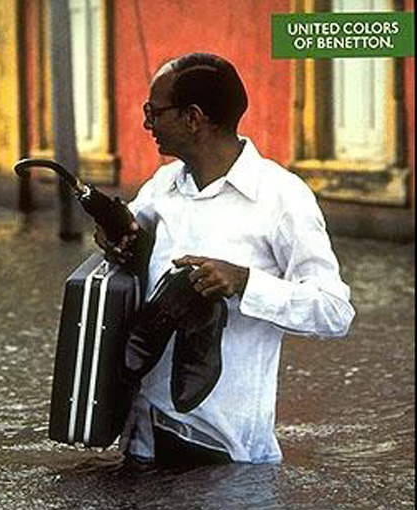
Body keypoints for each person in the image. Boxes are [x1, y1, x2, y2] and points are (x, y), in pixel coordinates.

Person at [96, 53, 355, 466]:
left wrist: (245, 283)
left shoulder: (282, 197)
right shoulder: (162, 187)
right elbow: (128, 236)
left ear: (193, 118)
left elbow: (335, 312)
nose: (148, 124)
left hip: (226, 453)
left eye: (154, 112)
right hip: (141, 442)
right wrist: (115, 239)